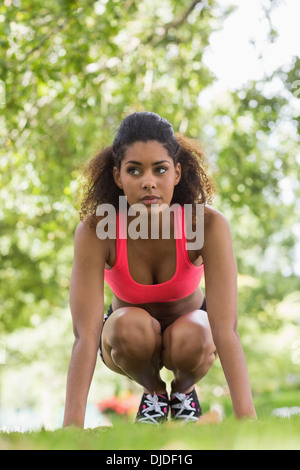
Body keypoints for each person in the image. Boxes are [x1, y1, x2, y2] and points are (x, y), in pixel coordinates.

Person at [63, 112, 257, 427]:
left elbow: (225, 329)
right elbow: (85, 334)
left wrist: (247, 420)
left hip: (193, 337)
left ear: (177, 173)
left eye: (160, 169)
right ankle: (153, 391)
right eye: (134, 170)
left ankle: (183, 391)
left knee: (194, 332)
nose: (148, 181)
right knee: (130, 326)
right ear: (117, 177)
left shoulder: (206, 224)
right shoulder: (96, 229)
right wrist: (71, 428)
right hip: (126, 339)